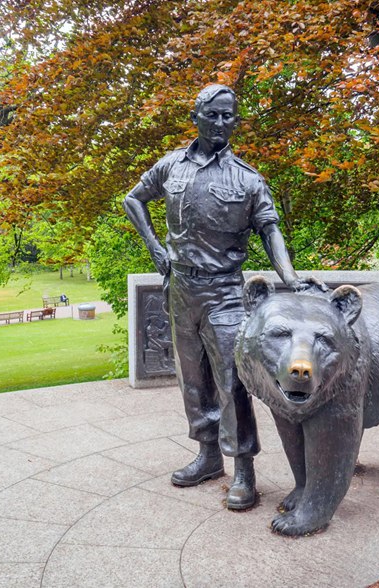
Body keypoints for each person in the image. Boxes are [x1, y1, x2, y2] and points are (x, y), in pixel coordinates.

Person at [123, 84, 311, 511]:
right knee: (192, 379)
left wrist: (290, 277)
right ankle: (208, 457)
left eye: (230, 116)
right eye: (215, 115)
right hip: (180, 288)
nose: (223, 123)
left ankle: (243, 469)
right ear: (197, 116)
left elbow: (270, 229)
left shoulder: (247, 178)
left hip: (225, 291)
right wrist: (154, 247)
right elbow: (133, 199)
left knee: (231, 381)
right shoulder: (172, 165)